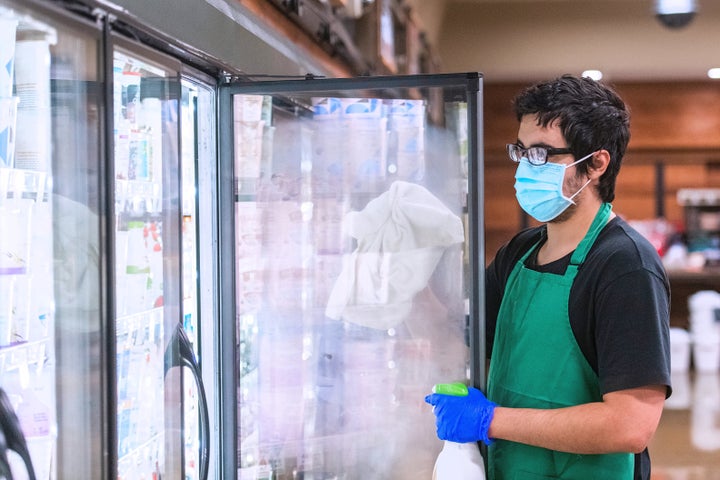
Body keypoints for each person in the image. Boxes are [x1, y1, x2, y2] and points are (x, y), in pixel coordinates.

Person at [425, 75, 671, 480]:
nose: (524, 167)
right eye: (520, 152)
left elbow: (630, 426)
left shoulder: (624, 266)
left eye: (540, 154)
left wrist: (489, 420)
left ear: (596, 163)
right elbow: (465, 339)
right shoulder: (518, 253)